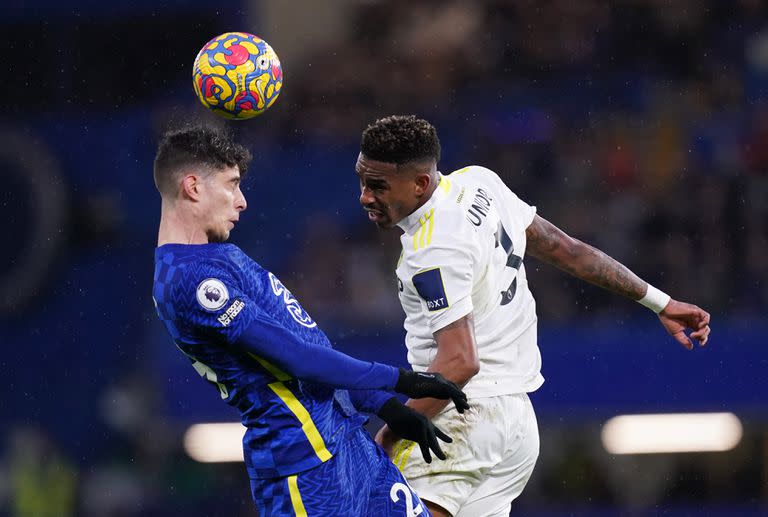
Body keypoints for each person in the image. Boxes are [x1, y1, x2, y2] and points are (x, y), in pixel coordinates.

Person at [354, 115, 712, 517]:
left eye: (378, 186)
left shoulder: (431, 251)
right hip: (517, 428)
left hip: (458, 423)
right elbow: (566, 248)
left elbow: (460, 362)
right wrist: (660, 302)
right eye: (363, 181)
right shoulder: (479, 183)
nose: (365, 197)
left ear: (420, 184)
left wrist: (393, 428)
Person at [151, 125, 470, 516]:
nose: (242, 202)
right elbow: (295, 358)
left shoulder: (221, 257)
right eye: (232, 185)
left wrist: (386, 406)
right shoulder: (188, 280)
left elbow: (312, 345)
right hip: (303, 468)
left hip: (350, 446)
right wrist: (402, 380)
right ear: (193, 187)